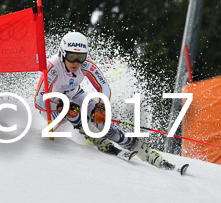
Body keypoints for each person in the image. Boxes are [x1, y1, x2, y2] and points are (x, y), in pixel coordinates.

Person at [34, 31, 174, 170]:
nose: (76, 62)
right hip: (51, 106)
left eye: (81, 57)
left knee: (102, 122)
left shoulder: (86, 65)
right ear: (62, 54)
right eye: (71, 56)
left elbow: (103, 86)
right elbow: (39, 101)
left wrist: (101, 107)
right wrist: (60, 105)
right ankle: (96, 138)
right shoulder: (51, 67)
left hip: (75, 95)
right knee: (69, 109)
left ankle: (144, 152)